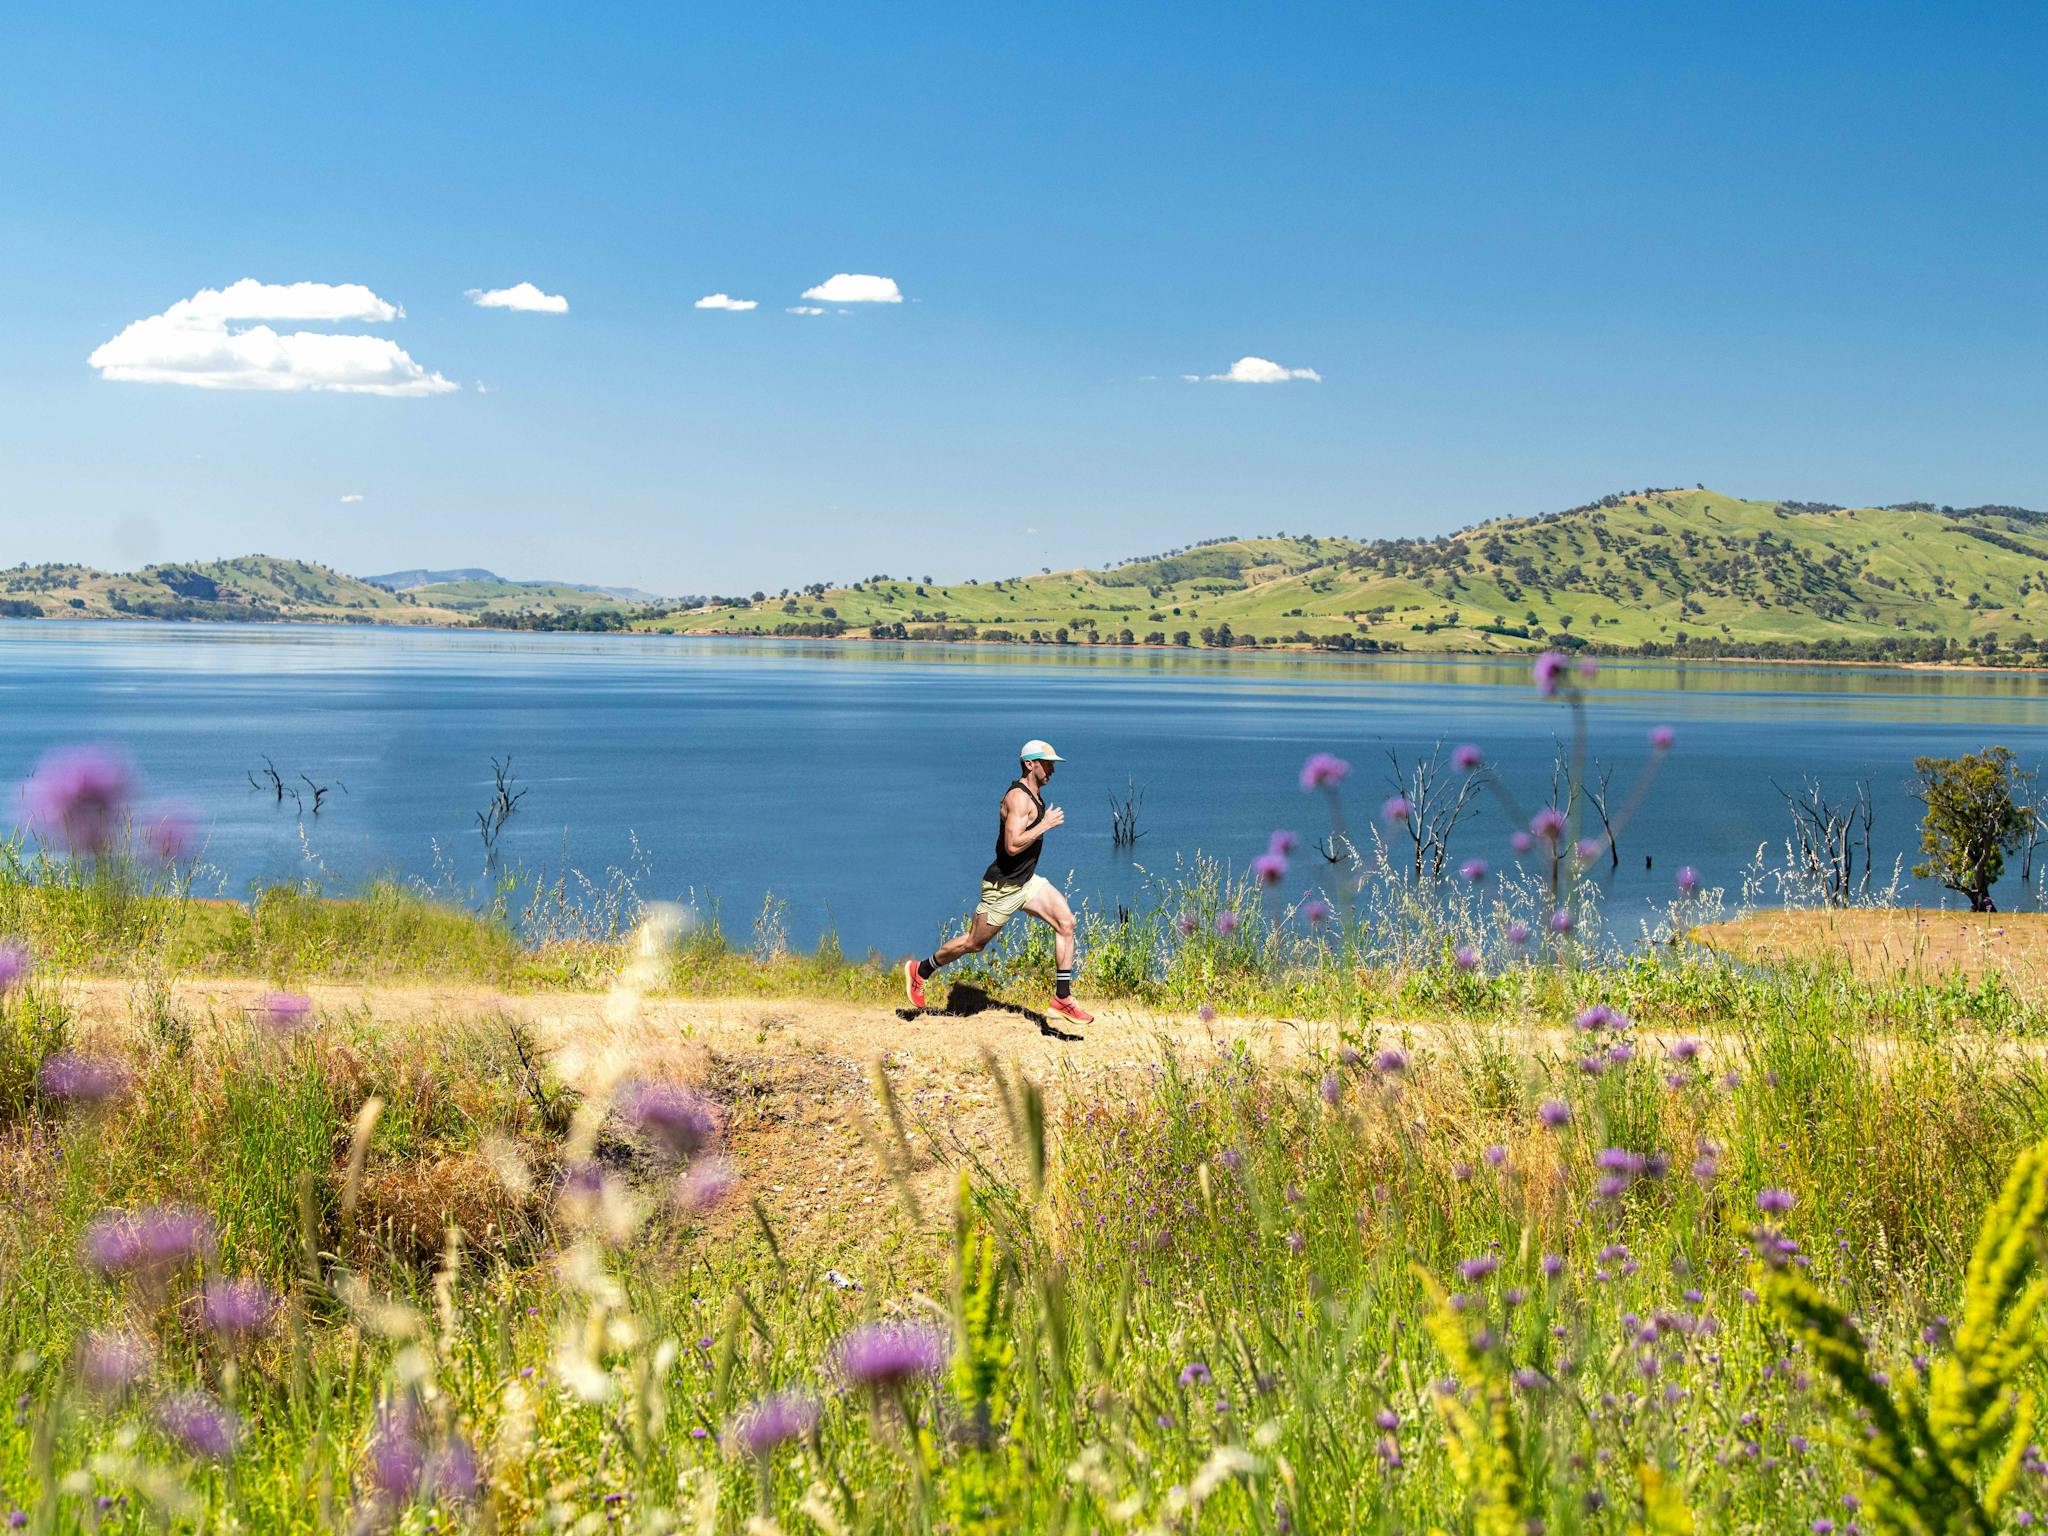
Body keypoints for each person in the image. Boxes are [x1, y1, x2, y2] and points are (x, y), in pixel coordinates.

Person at [904, 739, 1093, 1024]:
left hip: (1026, 883)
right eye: (1047, 763)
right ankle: (921, 971)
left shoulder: (1036, 795)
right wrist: (1045, 825)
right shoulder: (1017, 799)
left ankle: (1062, 998)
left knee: (1066, 923)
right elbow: (1012, 846)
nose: (1052, 769)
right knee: (973, 943)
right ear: (1030, 764)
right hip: (1002, 888)